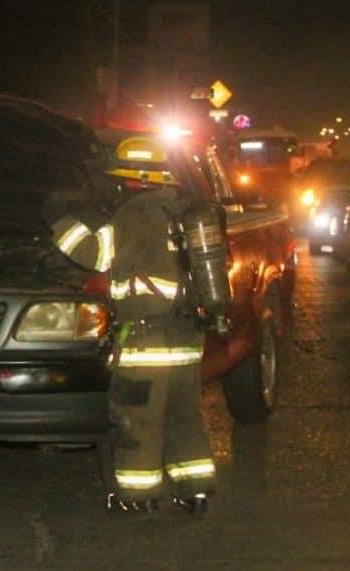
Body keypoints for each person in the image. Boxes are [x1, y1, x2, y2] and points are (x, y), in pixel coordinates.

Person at [45, 135, 217, 515]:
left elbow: (94, 254)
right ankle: (195, 489)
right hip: (186, 336)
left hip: (146, 338)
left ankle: (139, 495)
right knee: (185, 415)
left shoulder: (135, 215)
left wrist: (59, 221)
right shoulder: (182, 212)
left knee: (138, 416)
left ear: (135, 178)